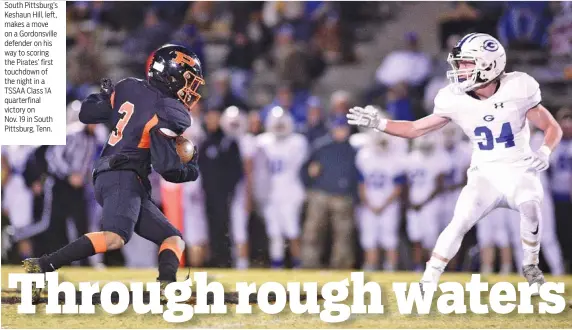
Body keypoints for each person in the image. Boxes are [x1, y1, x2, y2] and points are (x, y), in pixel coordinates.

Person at [347, 33, 563, 291]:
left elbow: (551, 126)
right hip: (484, 173)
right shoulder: (454, 97)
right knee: (459, 222)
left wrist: (545, 151)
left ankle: (530, 266)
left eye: (467, 64)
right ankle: (428, 279)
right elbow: (415, 129)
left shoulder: (518, 87)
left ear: (490, 64)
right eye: (459, 63)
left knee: (530, 206)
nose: (460, 69)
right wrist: (379, 123)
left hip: (518, 168)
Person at [23, 44, 205, 302]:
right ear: (171, 75)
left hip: (114, 174)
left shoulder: (128, 87)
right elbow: (168, 169)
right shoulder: (169, 111)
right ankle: (41, 266)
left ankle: (166, 286)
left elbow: (87, 113)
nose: (190, 89)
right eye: (188, 80)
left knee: (172, 238)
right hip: (124, 176)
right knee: (115, 238)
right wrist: (191, 168)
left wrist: (106, 94)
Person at [258, 107, 308, 268]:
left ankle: (298, 265)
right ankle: (276, 266)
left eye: (282, 124)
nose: (279, 127)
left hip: (291, 193)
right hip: (270, 195)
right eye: (276, 124)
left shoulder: (297, 142)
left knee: (292, 231)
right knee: (274, 234)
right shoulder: (262, 142)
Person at [219, 106, 257, 269]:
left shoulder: (246, 140)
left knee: (240, 227)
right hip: (227, 189)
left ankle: (242, 263)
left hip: (241, 189)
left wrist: (249, 195)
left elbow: (248, 171)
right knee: (232, 228)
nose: (233, 126)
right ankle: (236, 261)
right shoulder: (223, 140)